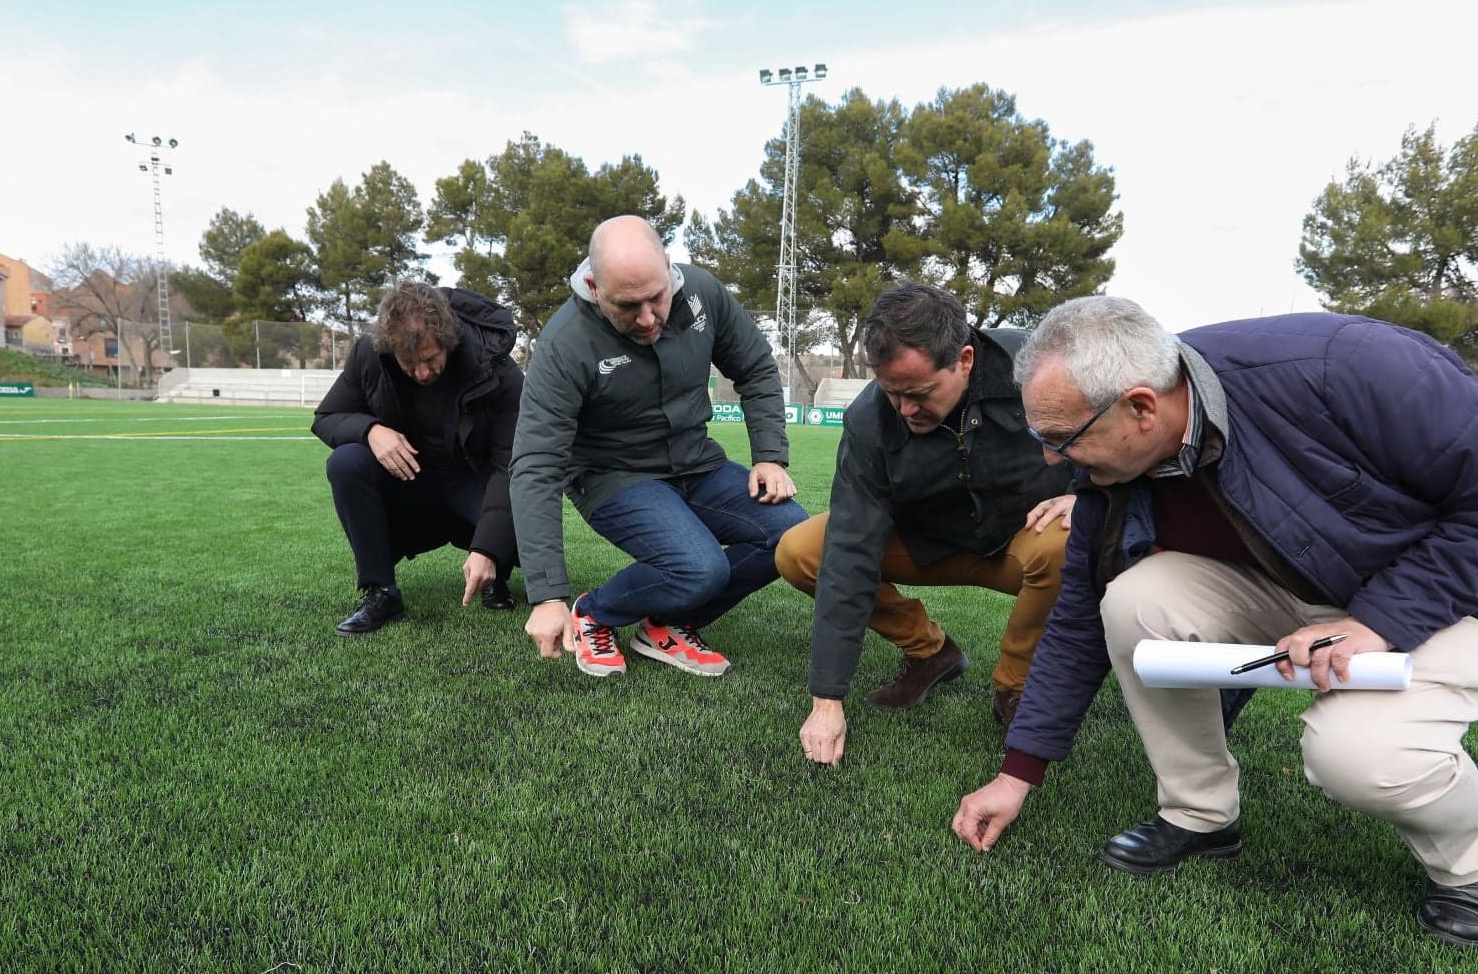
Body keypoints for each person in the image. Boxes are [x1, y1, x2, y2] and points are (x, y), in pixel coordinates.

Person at [949, 296, 1478, 947]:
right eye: (1041, 439)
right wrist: (1017, 772)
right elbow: (1079, 616)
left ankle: (1469, 864)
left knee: (1360, 756)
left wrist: (1378, 620)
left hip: (1448, 595)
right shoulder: (1111, 462)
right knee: (1131, 601)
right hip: (1289, 586)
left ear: (1142, 407)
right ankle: (1200, 813)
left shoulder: (1349, 365)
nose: (1052, 462)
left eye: (1062, 439)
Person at [776, 283, 1075, 764]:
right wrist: (827, 700)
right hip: (923, 542)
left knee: (1070, 539)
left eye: (920, 393)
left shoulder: (1039, 365)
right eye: (892, 393)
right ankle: (931, 653)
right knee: (801, 550)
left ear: (965, 359)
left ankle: (1016, 688)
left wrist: (1084, 493)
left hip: (1020, 542)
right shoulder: (869, 419)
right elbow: (850, 549)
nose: (906, 410)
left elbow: (1106, 425)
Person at [511, 215, 807, 677]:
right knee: (699, 567)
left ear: (668, 267)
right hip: (614, 475)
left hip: (696, 462)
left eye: (656, 298)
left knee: (793, 536)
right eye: (628, 306)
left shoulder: (703, 292)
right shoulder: (565, 343)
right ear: (593, 285)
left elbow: (755, 368)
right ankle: (594, 612)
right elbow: (535, 464)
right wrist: (548, 594)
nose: (648, 318)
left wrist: (769, 455)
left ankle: (665, 624)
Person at [312, 280, 524, 634]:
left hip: (473, 477)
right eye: (409, 364)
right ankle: (381, 592)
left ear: (448, 339)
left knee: (524, 509)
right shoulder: (369, 355)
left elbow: (510, 464)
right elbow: (326, 418)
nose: (422, 373)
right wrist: (370, 431)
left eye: (430, 359)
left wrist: (489, 547)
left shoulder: (495, 365)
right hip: (410, 476)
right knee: (346, 463)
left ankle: (495, 574)